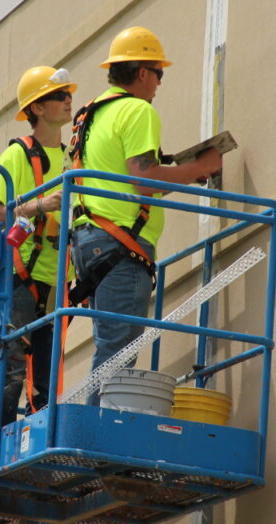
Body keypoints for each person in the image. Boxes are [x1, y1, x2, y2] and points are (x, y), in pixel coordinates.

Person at [68, 27, 220, 402]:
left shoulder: (93, 115)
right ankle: (96, 435)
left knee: (111, 345)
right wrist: (200, 167)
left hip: (89, 244)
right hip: (119, 245)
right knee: (119, 350)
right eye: (159, 74)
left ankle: (92, 427)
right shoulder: (138, 110)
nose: (159, 84)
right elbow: (144, 179)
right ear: (141, 73)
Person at [0, 65, 76, 425]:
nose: (68, 100)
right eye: (59, 95)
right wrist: (39, 205)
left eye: (68, 94)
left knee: (47, 374)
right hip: (23, 276)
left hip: (58, 280)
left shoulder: (73, 157)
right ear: (37, 108)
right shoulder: (17, 156)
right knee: (13, 366)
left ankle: (37, 430)